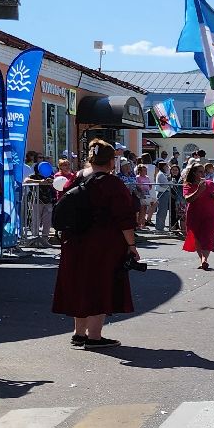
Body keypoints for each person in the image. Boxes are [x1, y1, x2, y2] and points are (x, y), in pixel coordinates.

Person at [51, 141, 138, 349]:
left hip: (74, 240)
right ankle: (94, 337)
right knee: (100, 286)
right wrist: (132, 245)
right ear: (111, 161)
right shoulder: (112, 184)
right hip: (102, 243)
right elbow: (124, 219)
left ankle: (79, 333)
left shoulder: (77, 177)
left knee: (79, 284)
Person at [181, 164, 214, 269]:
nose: (203, 174)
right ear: (194, 173)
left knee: (208, 237)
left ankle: (204, 259)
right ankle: (202, 258)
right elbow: (188, 199)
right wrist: (199, 190)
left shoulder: (210, 183)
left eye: (204, 172)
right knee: (196, 237)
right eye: (200, 172)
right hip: (194, 215)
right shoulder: (188, 185)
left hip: (210, 215)